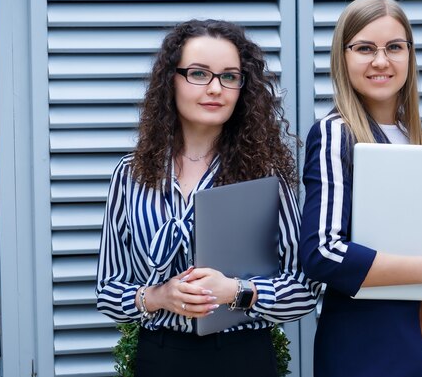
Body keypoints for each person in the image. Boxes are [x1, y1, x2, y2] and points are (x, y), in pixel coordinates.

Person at [96, 19, 321, 377]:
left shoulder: (264, 176)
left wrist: (236, 291)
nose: (216, 88)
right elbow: (108, 289)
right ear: (172, 79)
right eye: (199, 74)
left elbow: (303, 288)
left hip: (243, 356)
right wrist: (160, 296)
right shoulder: (130, 174)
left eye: (229, 76)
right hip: (161, 355)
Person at [299, 0, 422, 377]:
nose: (381, 61)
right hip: (366, 345)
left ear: (410, 55)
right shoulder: (335, 133)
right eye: (365, 48)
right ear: (342, 56)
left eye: (394, 47)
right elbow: (322, 253)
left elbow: (416, 238)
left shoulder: (417, 136)